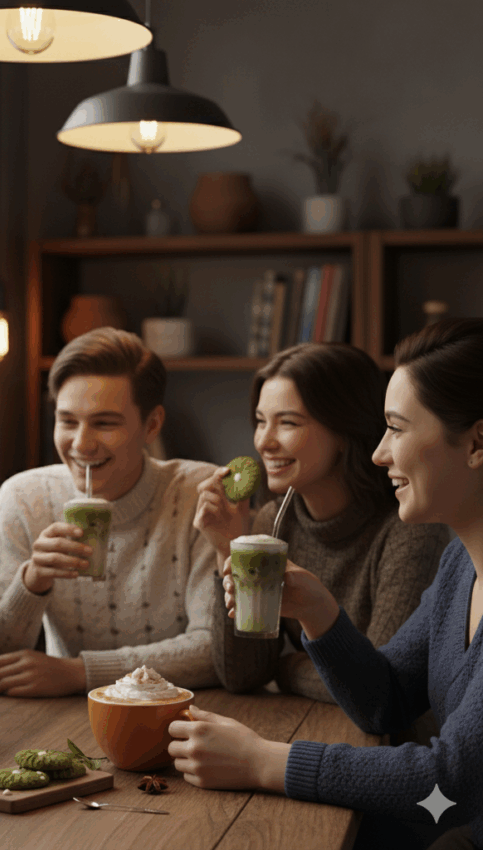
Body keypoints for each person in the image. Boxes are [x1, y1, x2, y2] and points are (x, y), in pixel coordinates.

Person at [169, 320, 483, 848]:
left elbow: (444, 780)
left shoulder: (429, 549)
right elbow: (386, 701)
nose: (380, 452)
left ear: (477, 442)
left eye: (398, 429)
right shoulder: (461, 565)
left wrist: (261, 760)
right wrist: (319, 612)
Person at [195, 342, 449, 719]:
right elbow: (242, 676)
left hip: (385, 748)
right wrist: (227, 548)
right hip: (307, 723)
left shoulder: (407, 531)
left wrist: (287, 667)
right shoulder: (272, 524)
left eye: (288, 422)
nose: (264, 441)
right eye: (261, 420)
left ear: (345, 429)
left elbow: (377, 686)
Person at [0, 327, 220, 697]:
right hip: (63, 717)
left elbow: (212, 650)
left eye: (104, 423)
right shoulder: (23, 498)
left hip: (180, 713)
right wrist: (32, 582)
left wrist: (80, 673)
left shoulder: (198, 492)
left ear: (151, 425)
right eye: (68, 421)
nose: (82, 444)